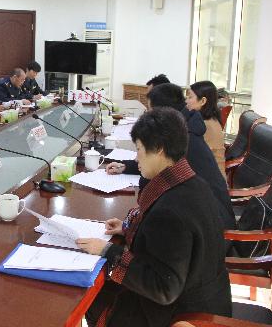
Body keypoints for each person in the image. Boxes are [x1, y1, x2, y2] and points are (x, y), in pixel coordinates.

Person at [78, 107, 232, 327]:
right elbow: (170, 245)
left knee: (93, 296)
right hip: (207, 299)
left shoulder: (169, 212)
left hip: (182, 316)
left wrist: (108, 250)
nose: (136, 157)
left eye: (139, 149)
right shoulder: (193, 183)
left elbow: (163, 288)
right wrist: (128, 228)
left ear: (159, 149)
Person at [105, 83, 235, 230]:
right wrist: (126, 167)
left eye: (151, 111)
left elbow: (152, 181)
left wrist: (126, 231)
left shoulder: (183, 140)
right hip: (206, 217)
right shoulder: (184, 128)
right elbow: (157, 163)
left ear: (162, 115)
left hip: (212, 225)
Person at [186, 81, 226, 177]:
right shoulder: (210, 119)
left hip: (210, 179)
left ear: (203, 101)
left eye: (190, 97)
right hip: (209, 174)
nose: (186, 101)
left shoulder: (203, 125)